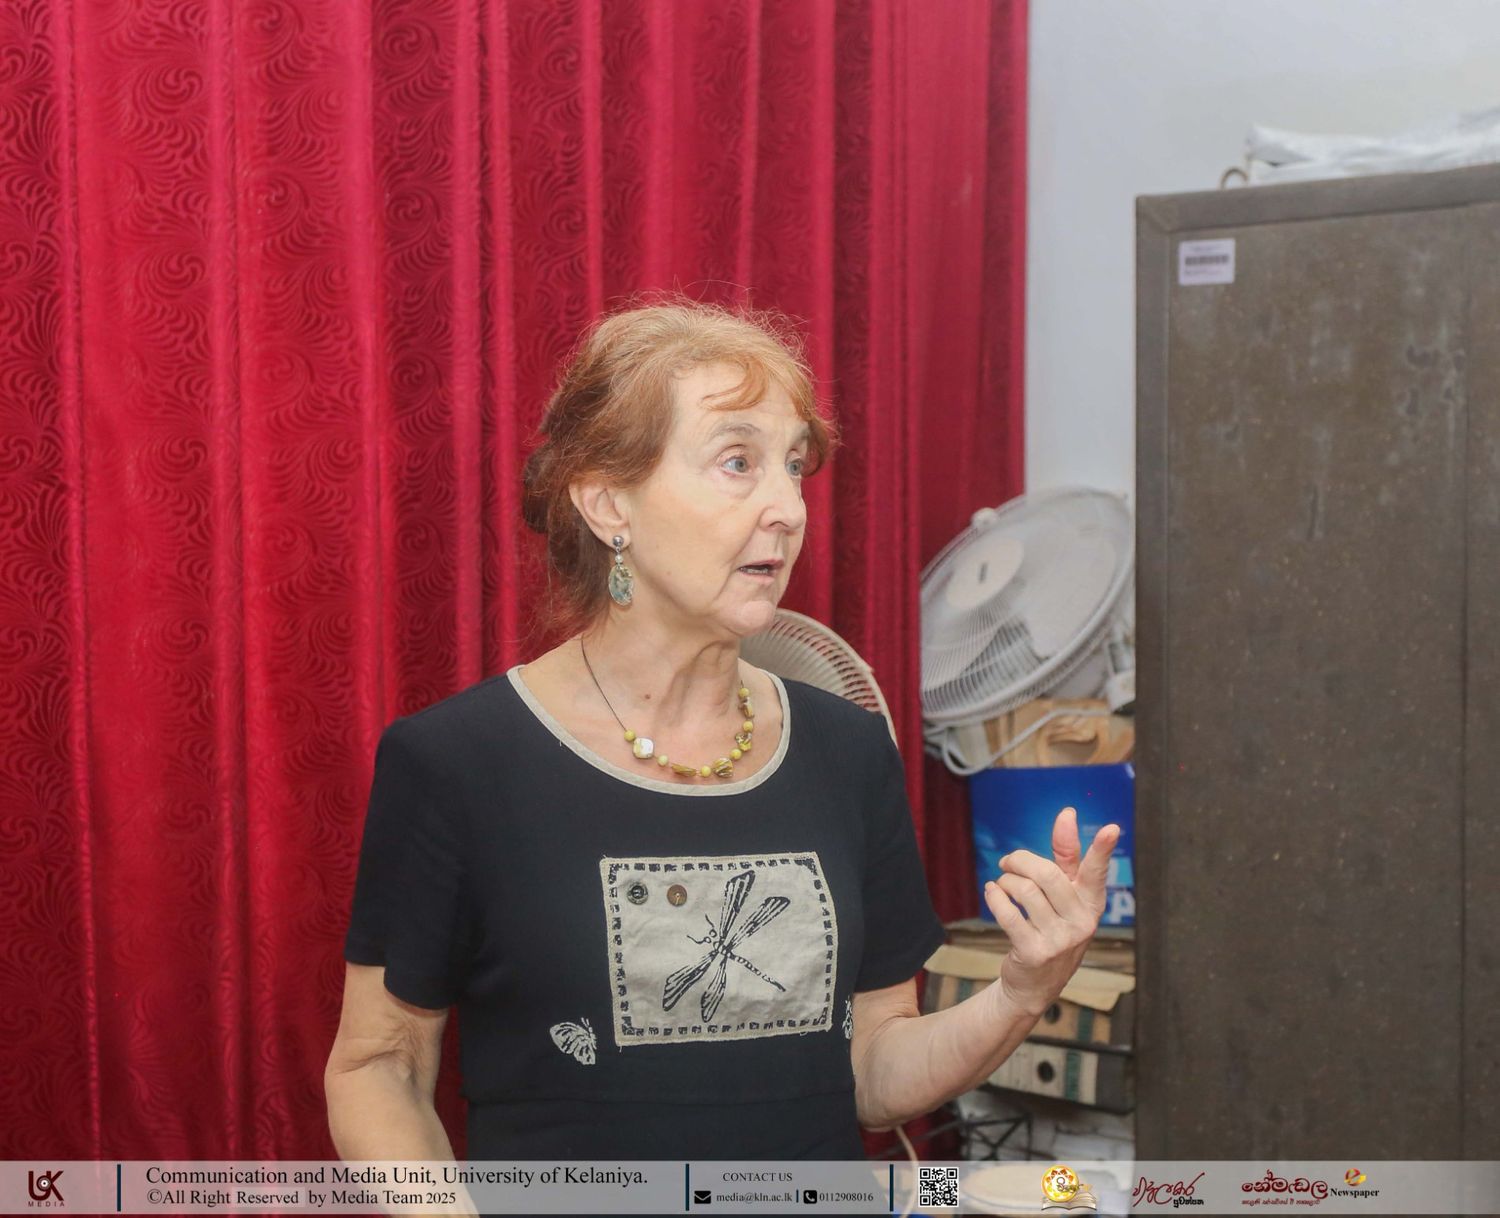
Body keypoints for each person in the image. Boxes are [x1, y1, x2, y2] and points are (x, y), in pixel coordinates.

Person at [324, 298, 1120, 1204]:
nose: (786, 508)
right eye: (737, 463)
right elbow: (377, 1067)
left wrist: (1022, 989)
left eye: (793, 468)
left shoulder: (849, 751)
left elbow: (873, 1072)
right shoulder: (458, 761)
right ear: (606, 500)